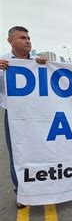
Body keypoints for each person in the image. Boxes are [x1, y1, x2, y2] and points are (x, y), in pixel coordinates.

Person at [0, 26, 47, 208]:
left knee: (42, 150)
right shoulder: (3, 61)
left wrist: (46, 66)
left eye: (28, 37)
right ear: (10, 41)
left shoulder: (37, 62)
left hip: (39, 115)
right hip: (14, 116)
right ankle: (21, 192)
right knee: (18, 153)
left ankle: (46, 187)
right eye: (22, 38)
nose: (27, 41)